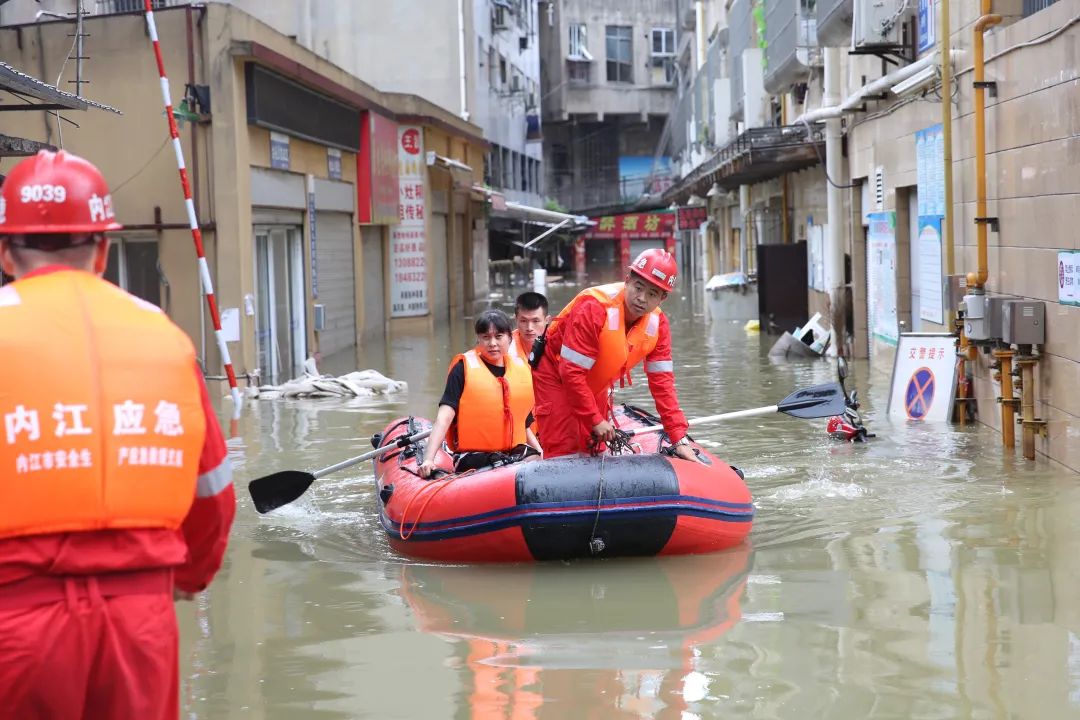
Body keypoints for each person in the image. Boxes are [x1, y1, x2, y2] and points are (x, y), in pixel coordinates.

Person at [0, 150, 235, 720]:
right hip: (141, 622)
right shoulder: (165, 337)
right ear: (103, 250)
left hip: (16, 623)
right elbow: (213, 494)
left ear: (6, 251)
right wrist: (186, 578)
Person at [531, 248, 701, 462]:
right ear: (628, 280)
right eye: (638, 288)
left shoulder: (659, 326)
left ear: (663, 298)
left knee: (596, 449)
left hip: (596, 382)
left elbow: (663, 385)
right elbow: (570, 372)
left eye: (652, 294)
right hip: (555, 374)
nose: (641, 299)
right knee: (564, 449)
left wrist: (678, 439)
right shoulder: (593, 308)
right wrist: (595, 419)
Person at [418, 309, 541, 478]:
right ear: (478, 339)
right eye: (486, 337)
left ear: (510, 338)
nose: (492, 343)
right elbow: (444, 417)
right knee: (501, 465)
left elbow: (524, 423)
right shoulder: (462, 369)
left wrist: (541, 453)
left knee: (534, 459)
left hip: (512, 453)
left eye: (498, 337)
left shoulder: (521, 370)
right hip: (474, 456)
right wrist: (428, 459)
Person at [509, 290, 549, 360]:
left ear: (547, 321)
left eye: (535, 321)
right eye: (523, 321)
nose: (529, 328)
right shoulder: (505, 347)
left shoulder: (557, 346)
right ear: (516, 319)